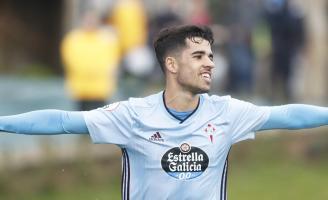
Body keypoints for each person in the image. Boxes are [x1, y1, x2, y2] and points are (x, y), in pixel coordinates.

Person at [0, 25, 327, 200]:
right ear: (171, 64)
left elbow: (286, 115)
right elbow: (62, 121)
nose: (210, 63)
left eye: (211, 55)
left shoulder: (227, 112)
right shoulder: (132, 115)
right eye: (198, 56)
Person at [61, 10, 121, 111]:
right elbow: (69, 59)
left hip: (100, 89)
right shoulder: (73, 38)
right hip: (80, 88)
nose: (90, 23)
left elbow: (113, 60)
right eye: (87, 20)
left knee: (100, 119)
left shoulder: (107, 38)